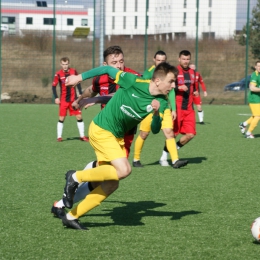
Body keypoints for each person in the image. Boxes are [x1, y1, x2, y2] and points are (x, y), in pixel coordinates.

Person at [53, 62, 178, 230]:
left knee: (112, 183)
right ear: (157, 80)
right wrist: (78, 77)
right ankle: (75, 177)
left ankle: (71, 216)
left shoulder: (162, 102)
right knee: (125, 170)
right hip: (102, 128)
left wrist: (156, 113)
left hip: (116, 137)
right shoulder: (133, 81)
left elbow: (156, 129)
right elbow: (106, 69)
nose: (174, 85)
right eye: (171, 81)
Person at [51, 46, 141, 218]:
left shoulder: (131, 77)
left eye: (121, 61)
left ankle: (62, 203)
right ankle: (68, 200)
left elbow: (120, 96)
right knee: (111, 178)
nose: (119, 66)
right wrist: (80, 99)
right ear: (105, 64)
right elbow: (91, 90)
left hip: (126, 133)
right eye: (114, 63)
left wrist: (97, 99)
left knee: (111, 177)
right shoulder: (101, 79)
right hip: (107, 132)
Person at [132, 50, 188, 168]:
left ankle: (175, 160)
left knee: (169, 133)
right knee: (144, 134)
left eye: (163, 60)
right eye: (158, 60)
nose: (161, 62)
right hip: (150, 109)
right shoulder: (148, 74)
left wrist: (173, 109)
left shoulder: (169, 74)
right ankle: (136, 159)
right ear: (154, 60)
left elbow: (172, 91)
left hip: (165, 108)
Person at [159, 50, 198, 162]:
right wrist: (179, 88)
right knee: (173, 134)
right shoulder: (174, 71)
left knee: (190, 134)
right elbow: (168, 87)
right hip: (178, 108)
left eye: (187, 59)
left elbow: (194, 86)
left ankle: (173, 150)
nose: (186, 61)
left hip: (189, 109)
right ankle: (164, 156)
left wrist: (195, 92)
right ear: (179, 59)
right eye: (183, 59)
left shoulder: (192, 72)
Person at [52, 57, 88, 142]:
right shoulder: (58, 74)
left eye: (66, 64)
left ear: (69, 64)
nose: (65, 66)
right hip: (64, 100)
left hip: (73, 100)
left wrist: (80, 92)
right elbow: (54, 86)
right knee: (61, 118)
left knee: (79, 116)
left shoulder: (73, 71)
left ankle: (82, 136)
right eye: (63, 64)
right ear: (61, 64)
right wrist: (56, 97)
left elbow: (78, 81)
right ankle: (59, 137)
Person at [239, 61, 260, 138]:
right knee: (258, 116)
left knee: (256, 115)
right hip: (254, 99)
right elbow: (252, 88)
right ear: (255, 67)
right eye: (258, 66)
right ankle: (248, 133)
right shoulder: (255, 75)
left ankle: (243, 124)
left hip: (258, 98)